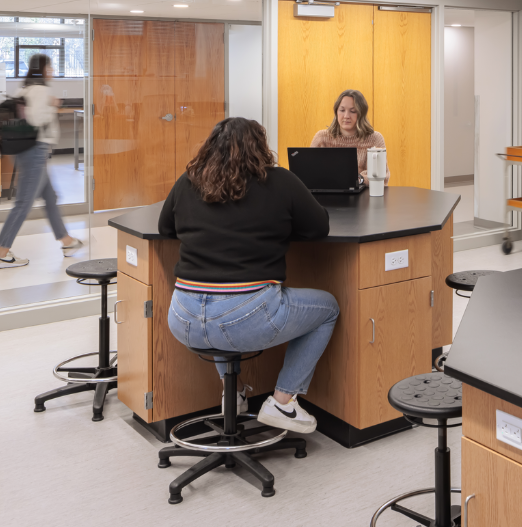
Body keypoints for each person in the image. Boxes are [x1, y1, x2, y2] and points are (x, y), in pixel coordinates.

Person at [158, 117, 338, 434]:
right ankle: (283, 402)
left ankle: (234, 394)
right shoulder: (281, 182)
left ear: (210, 147)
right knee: (328, 308)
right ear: (260, 148)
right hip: (243, 321)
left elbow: (165, 228)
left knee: (219, 300)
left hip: (183, 319)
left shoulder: (189, 181)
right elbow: (319, 227)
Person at [0, 54, 82, 269]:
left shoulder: (24, 89)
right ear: (43, 69)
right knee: (23, 203)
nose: (52, 71)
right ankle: (1, 254)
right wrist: (53, 105)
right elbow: (37, 120)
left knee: (50, 197)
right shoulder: (41, 91)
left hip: (25, 149)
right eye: (50, 67)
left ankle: (67, 242)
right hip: (35, 150)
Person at [310, 89, 391, 182]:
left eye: (353, 111)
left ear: (361, 114)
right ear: (336, 112)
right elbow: (310, 172)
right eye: (342, 110)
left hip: (365, 190)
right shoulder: (321, 137)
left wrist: (359, 179)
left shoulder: (375, 138)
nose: (346, 116)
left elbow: (383, 176)